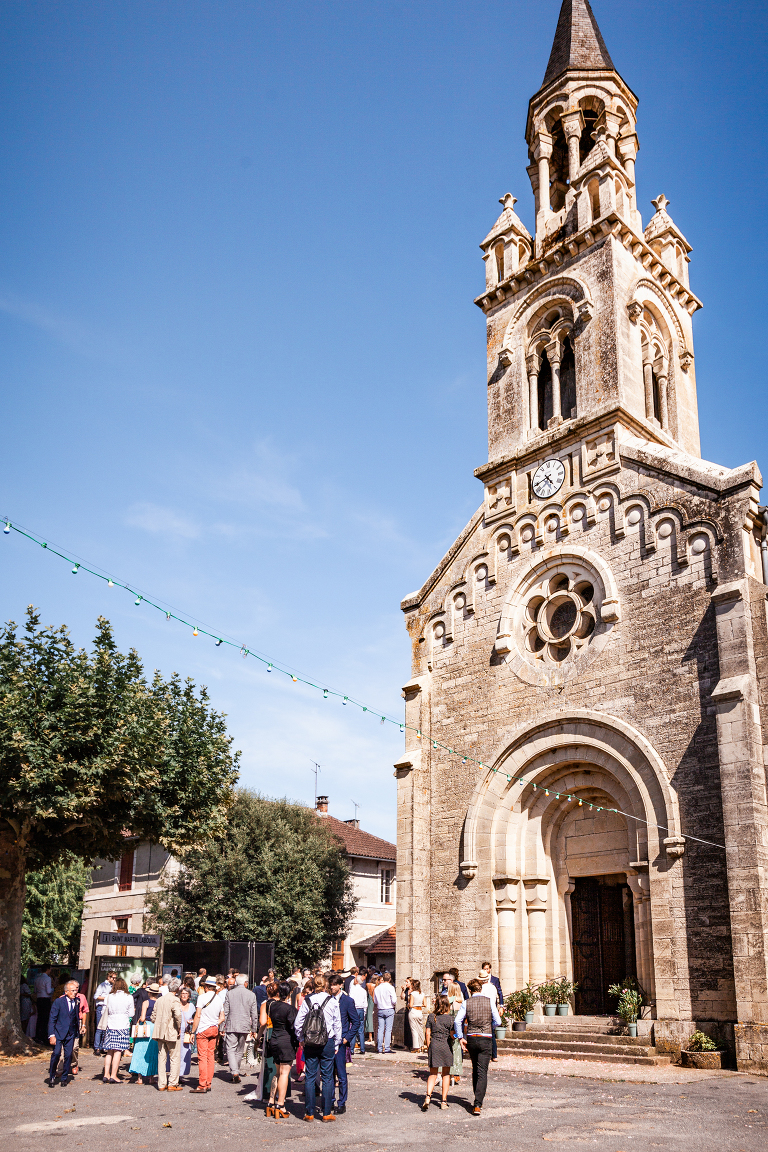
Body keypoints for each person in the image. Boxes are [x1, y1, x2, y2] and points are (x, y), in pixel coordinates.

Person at [294, 974, 341, 1123]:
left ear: (313, 986)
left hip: (310, 1041)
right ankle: (326, 1112)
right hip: (327, 1041)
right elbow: (337, 1024)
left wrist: (301, 1038)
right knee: (327, 1077)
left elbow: (298, 1023)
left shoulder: (307, 1001)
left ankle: (309, 1112)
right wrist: (337, 1042)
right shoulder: (332, 1001)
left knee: (310, 1076)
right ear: (326, 986)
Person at [453, 978, 501, 1115]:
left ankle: (477, 1097)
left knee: (475, 1068)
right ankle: (478, 1103)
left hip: (472, 1037)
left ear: (469, 990)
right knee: (482, 1070)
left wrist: (461, 1036)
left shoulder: (467, 1003)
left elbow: (458, 1021)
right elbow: (498, 1021)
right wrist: (489, 1026)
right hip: (486, 1037)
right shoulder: (489, 1001)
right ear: (481, 988)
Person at [264, 981, 297, 1119]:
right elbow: (294, 1026)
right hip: (285, 1041)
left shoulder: (270, 1005)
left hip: (274, 1039)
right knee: (284, 1073)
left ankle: (271, 1102)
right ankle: (281, 1104)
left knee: (277, 1073)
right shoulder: (289, 1009)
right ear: (289, 993)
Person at [190, 975, 226, 1093]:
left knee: (202, 1057)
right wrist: (214, 1023)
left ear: (206, 987)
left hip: (203, 1029)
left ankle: (202, 1084)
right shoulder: (219, 999)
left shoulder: (202, 998)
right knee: (211, 1057)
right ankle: (208, 1083)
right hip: (214, 1029)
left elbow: (198, 1015)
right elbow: (222, 1017)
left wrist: (192, 1031)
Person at [223, 974, 259, 1083]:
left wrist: (221, 1026)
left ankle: (235, 1071)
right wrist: (254, 1028)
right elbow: (254, 1014)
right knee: (239, 1050)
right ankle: (236, 1071)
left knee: (230, 1048)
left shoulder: (229, 994)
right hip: (244, 1025)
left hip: (231, 1024)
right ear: (246, 983)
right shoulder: (251, 995)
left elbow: (225, 1012)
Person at [329, 974, 357, 1115]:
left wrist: (347, 1038)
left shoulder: (347, 1001)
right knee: (328, 1074)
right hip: (328, 1041)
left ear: (340, 985)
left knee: (341, 1074)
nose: (332, 987)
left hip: (341, 1042)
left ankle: (342, 1102)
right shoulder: (327, 1000)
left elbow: (356, 1021)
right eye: (331, 984)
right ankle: (330, 1100)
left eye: (335, 984)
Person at [422, 994, 454, 1110]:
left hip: (434, 1045)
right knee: (446, 1074)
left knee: (433, 1074)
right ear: (447, 1005)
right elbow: (452, 1035)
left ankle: (428, 1096)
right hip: (445, 1046)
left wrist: (429, 1046)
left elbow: (427, 1033)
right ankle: (443, 1101)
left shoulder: (431, 1016)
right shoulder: (450, 1019)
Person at [151, 980, 184, 1091]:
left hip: (160, 1032)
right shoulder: (175, 999)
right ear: (177, 989)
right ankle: (172, 1083)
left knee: (162, 1057)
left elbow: (153, 1016)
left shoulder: (159, 999)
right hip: (171, 1031)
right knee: (174, 1058)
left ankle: (161, 1084)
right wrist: (179, 1026)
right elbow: (178, 1014)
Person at [47, 981, 81, 1087]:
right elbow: (52, 1019)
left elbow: (75, 1017)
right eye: (72, 991)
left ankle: (64, 1077)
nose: (75, 993)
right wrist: (51, 1035)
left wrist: (77, 1032)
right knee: (56, 1054)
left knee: (68, 1055)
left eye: (75, 991)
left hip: (70, 1033)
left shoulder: (77, 1001)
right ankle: (52, 1075)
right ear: (66, 992)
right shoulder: (58, 1002)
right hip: (59, 1032)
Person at [101, 978, 135, 1083]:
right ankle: (114, 1075)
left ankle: (106, 1074)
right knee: (118, 1051)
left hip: (110, 1025)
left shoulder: (109, 997)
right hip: (122, 1025)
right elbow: (131, 1014)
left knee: (109, 1051)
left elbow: (104, 1010)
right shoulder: (129, 997)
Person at [129, 982, 161, 1084]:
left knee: (140, 1051)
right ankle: (151, 1077)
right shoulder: (159, 1003)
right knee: (152, 1052)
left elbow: (142, 1017)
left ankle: (140, 1078)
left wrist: (139, 1020)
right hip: (155, 1027)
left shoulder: (146, 1002)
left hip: (146, 1026)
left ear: (149, 993)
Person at [480, 962, 503, 1061]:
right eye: (484, 969)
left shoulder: (494, 980)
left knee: (491, 1033)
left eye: (487, 969)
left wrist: (501, 1006)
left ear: (490, 969)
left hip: (491, 1008)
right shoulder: (480, 982)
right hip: (486, 1009)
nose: (486, 970)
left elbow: (500, 993)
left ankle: (494, 1054)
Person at [93, 971, 116, 1055]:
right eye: (113, 978)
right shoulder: (102, 985)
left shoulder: (112, 986)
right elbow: (96, 996)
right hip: (101, 1007)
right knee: (99, 1028)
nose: (114, 979)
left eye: (115, 978)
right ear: (108, 978)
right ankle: (97, 1047)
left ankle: (102, 1046)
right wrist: (107, 998)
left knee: (105, 1027)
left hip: (108, 1007)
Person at [373, 972, 397, 1054]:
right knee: (388, 1029)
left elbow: (375, 1001)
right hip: (389, 1008)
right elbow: (394, 1000)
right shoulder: (391, 988)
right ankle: (386, 1048)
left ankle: (379, 1047)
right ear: (389, 979)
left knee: (380, 1029)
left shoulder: (377, 988)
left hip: (380, 1009)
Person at [447, 980, 464, 1084]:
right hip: (459, 1029)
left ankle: (449, 1073)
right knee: (457, 1050)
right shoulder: (461, 1002)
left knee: (449, 1050)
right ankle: (456, 1074)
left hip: (450, 1028)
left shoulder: (450, 1001)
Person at [178, 985, 197, 1083]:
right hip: (177, 1032)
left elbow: (195, 1018)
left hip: (187, 1033)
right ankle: (174, 1074)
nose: (184, 995)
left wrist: (192, 1021)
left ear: (189, 996)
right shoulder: (177, 1005)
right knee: (175, 1054)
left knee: (185, 1053)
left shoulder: (192, 1006)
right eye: (182, 994)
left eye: (186, 994)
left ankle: (181, 1075)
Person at [348, 972, 368, 1056]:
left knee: (352, 1028)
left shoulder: (352, 990)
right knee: (360, 1030)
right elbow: (365, 1003)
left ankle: (351, 1049)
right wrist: (364, 1012)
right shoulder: (363, 991)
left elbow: (350, 1000)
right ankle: (362, 1048)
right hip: (360, 1009)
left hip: (354, 1009)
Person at [34, 964, 54, 1043]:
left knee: (39, 1018)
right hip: (45, 999)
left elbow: (35, 991)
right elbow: (48, 991)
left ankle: (37, 1035)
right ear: (48, 969)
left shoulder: (37, 978)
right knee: (45, 1019)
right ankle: (44, 1036)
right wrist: (53, 988)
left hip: (39, 999)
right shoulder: (48, 978)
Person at [408, 979, 425, 1052]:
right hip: (419, 1011)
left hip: (413, 1011)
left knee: (414, 1029)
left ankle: (416, 1047)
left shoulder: (413, 994)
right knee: (420, 1029)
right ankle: (422, 1045)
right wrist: (419, 1004)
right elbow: (425, 1004)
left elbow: (411, 1005)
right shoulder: (422, 994)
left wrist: (409, 1004)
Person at [400, 977, 413, 1051]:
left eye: (407, 982)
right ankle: (407, 1044)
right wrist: (402, 990)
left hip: (412, 1009)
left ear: (411, 982)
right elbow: (402, 997)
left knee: (412, 1027)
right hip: (407, 1010)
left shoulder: (414, 991)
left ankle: (412, 1044)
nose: (406, 983)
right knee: (406, 1026)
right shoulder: (407, 991)